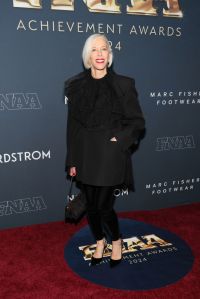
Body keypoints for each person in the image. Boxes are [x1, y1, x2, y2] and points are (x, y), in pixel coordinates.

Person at [64, 34, 145, 267]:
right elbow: (73, 127)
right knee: (91, 206)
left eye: (104, 49)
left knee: (104, 206)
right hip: (86, 154)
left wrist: (118, 139)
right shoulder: (76, 85)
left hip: (110, 154)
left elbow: (137, 122)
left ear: (110, 54)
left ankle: (116, 241)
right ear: (87, 55)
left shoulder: (124, 85)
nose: (99, 54)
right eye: (94, 50)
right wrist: (72, 160)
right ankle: (100, 241)